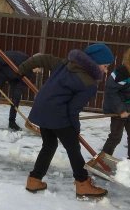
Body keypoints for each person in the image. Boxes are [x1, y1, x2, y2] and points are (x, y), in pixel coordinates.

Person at [24, 43, 114, 199]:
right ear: (94, 63)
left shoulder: (65, 64)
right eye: (105, 66)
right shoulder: (89, 83)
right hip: (58, 114)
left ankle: (34, 180)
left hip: (42, 109)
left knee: (49, 145)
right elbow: (73, 110)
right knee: (73, 148)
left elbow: (44, 59)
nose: (106, 71)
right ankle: (82, 184)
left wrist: (23, 68)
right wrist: (75, 128)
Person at [0, 50, 32, 131]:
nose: (38, 70)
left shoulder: (30, 71)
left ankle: (12, 123)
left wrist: (17, 93)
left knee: (16, 98)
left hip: (16, 78)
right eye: (38, 68)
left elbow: (22, 84)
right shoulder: (19, 58)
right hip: (4, 73)